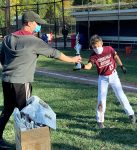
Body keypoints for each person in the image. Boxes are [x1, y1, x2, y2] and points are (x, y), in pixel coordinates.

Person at [0, 10, 81, 149]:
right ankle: (28, 144)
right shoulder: (34, 41)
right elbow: (54, 54)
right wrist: (72, 59)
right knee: (27, 112)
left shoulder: (7, 38)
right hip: (22, 82)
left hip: (6, 80)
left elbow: (1, 58)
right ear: (30, 23)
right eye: (37, 24)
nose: (39, 26)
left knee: (7, 110)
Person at [81, 35, 136, 129]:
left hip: (114, 76)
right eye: (94, 47)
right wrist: (82, 66)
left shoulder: (109, 49)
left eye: (98, 45)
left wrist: (122, 66)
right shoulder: (93, 55)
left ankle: (131, 114)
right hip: (103, 78)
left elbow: (116, 57)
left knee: (121, 95)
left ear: (101, 43)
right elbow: (89, 66)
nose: (96, 48)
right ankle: (100, 121)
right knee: (101, 99)